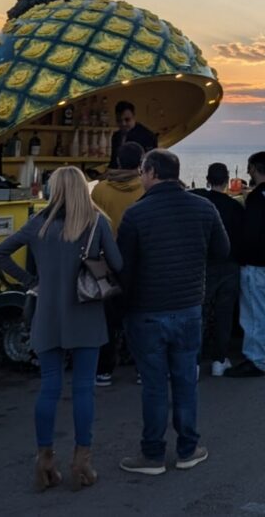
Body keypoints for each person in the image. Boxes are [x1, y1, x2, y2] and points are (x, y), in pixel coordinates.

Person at [0, 166, 122, 492]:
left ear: (52, 190)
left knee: (49, 387)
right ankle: (82, 460)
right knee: (82, 389)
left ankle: (45, 459)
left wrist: (30, 281)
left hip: (47, 314)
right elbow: (117, 265)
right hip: (86, 313)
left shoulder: (38, 225)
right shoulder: (96, 223)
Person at [117, 149, 229, 475]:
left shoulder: (136, 214)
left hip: (147, 312)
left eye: (141, 171)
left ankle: (152, 455)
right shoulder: (204, 208)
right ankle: (188, 449)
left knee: (153, 385)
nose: (140, 176)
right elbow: (223, 251)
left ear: (152, 172)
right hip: (189, 306)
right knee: (185, 382)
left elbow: (124, 269)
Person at [226, 151, 265, 378]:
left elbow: (250, 233)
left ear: (253, 167)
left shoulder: (257, 198)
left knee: (254, 312)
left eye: (248, 167)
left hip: (256, 262)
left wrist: (241, 256)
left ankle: (255, 359)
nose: (247, 171)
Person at [90, 141, 145, 387]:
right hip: (140, 262)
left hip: (108, 262)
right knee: (140, 317)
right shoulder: (145, 188)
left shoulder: (100, 189)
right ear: (141, 162)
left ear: (118, 160)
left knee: (107, 320)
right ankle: (142, 369)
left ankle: (104, 371)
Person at [192, 163, 244, 377]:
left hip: (203, 265)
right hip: (229, 265)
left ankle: (193, 362)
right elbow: (242, 238)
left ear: (207, 178)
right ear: (227, 180)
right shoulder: (235, 207)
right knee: (224, 313)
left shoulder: (198, 204)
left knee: (200, 314)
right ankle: (219, 360)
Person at [109, 100, 158, 169]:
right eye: (119, 120)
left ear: (134, 116)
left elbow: (151, 165)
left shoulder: (147, 136)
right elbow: (113, 163)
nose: (123, 124)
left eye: (127, 120)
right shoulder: (116, 136)